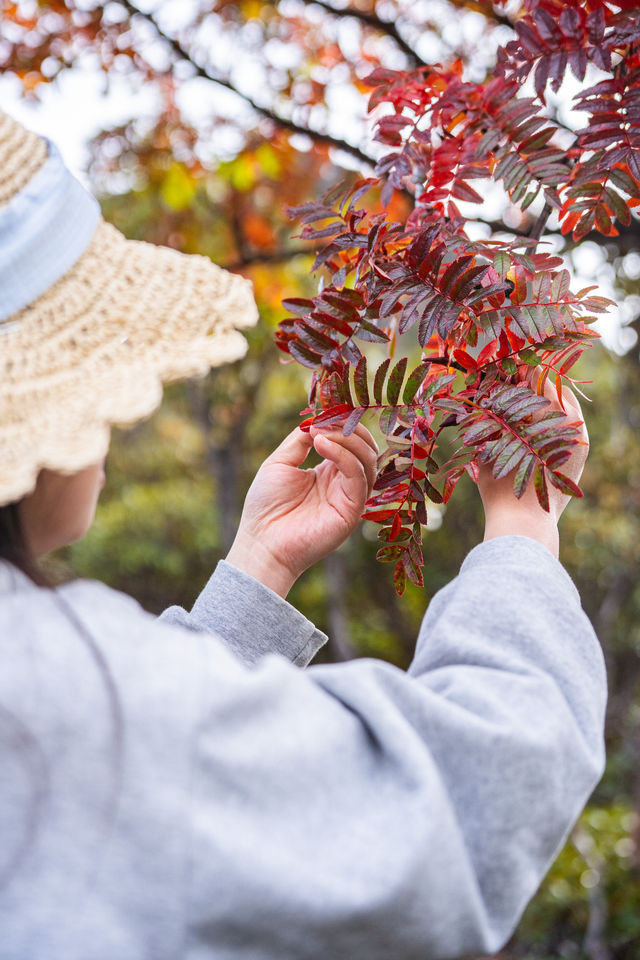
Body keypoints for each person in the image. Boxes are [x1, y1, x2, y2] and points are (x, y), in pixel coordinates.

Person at [0, 108, 605, 960]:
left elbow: (155, 800)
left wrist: (259, 567)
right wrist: (523, 523)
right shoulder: (63, 693)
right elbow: (469, 801)